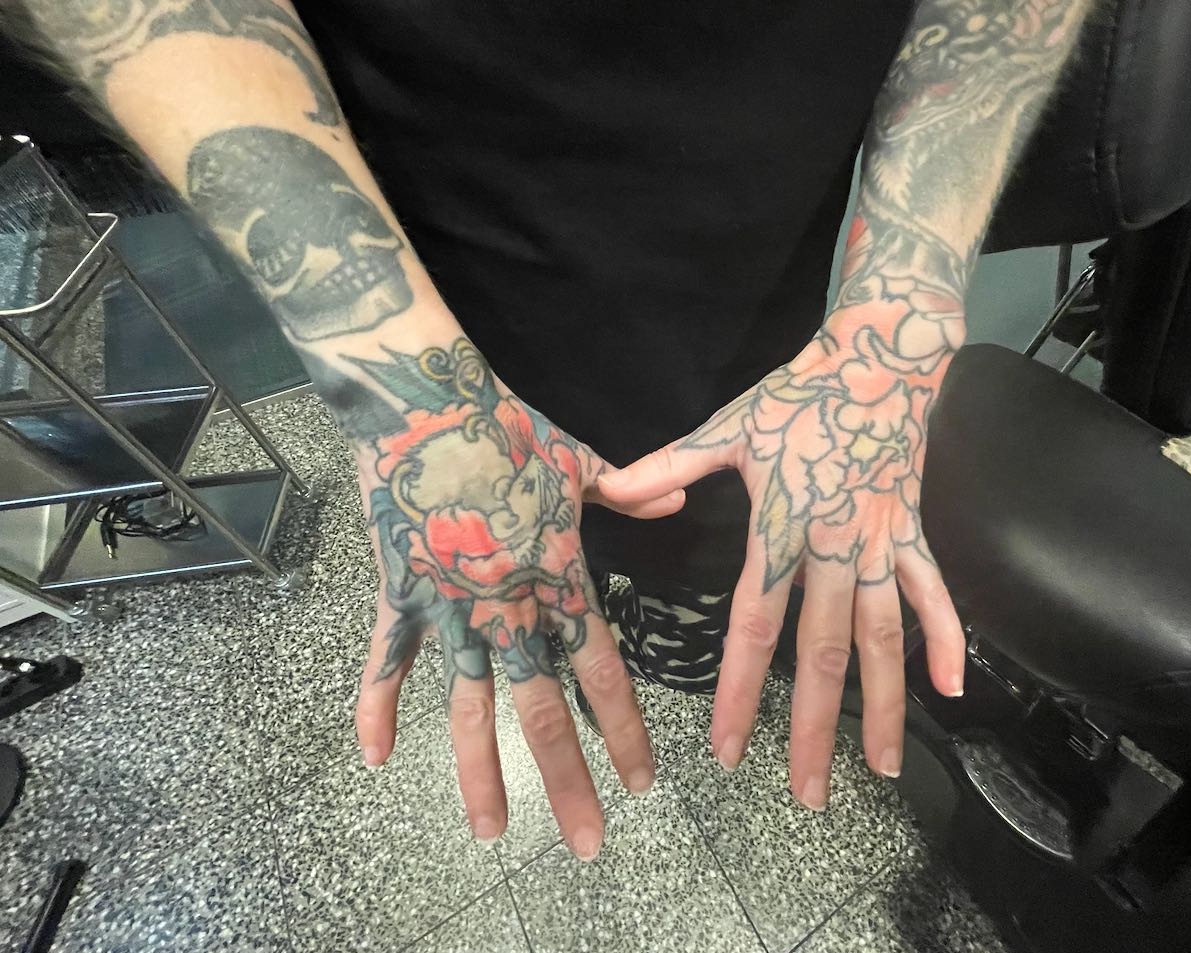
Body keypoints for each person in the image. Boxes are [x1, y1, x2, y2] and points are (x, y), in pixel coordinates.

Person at [8, 0, 1093, 862]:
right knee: (542, 545)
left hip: (766, 240)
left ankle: (676, 635)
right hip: (444, 247)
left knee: (717, 541)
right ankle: (651, 619)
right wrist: (404, 387)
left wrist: (897, 304)